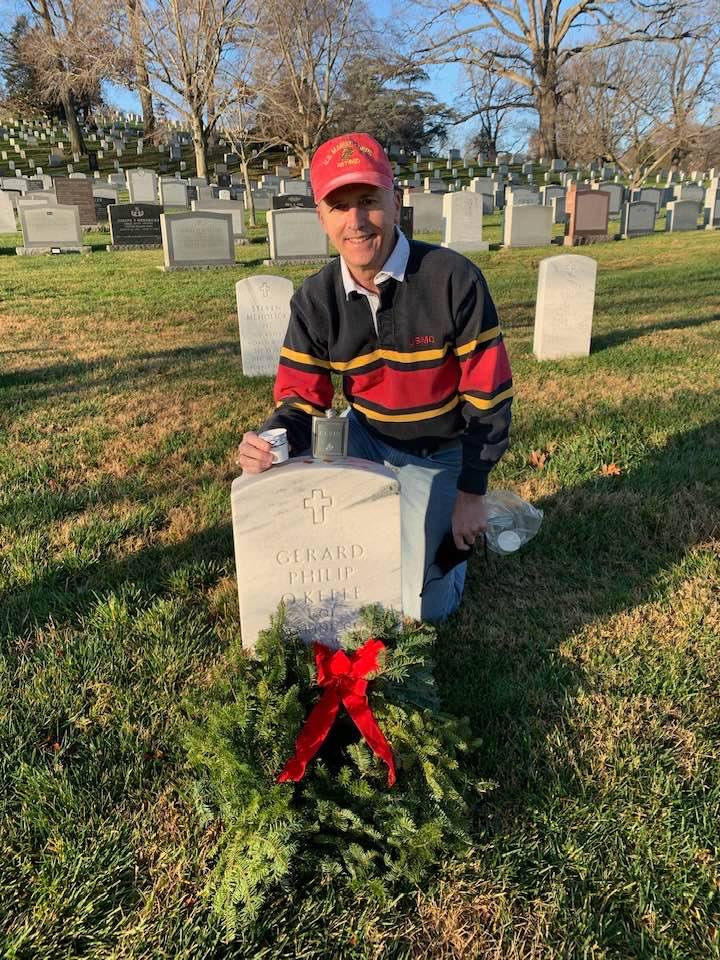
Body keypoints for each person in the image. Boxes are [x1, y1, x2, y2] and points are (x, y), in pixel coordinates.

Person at [236, 132, 513, 621]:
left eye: (368, 201)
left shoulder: (452, 278)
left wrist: (471, 493)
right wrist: (269, 440)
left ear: (395, 201)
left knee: (423, 609)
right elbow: (301, 400)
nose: (356, 221)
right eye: (339, 206)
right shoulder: (316, 299)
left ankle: (454, 545)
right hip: (364, 437)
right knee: (327, 564)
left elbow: (488, 395)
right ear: (322, 217)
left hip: (440, 451)